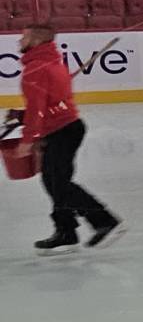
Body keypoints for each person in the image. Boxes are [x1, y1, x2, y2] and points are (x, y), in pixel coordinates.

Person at [7, 23, 120, 253]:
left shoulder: (35, 69)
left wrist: (27, 140)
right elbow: (51, 102)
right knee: (53, 181)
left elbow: (39, 108)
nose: (20, 41)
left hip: (62, 130)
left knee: (59, 183)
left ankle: (103, 220)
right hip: (65, 127)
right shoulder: (51, 63)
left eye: (24, 37)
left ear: (36, 41)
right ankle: (66, 230)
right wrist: (21, 115)